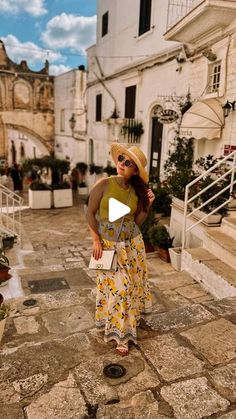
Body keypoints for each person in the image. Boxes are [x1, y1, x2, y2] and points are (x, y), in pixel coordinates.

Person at [87, 144, 155, 356]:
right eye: (121, 160)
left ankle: (125, 329)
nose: (122, 164)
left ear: (135, 170)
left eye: (128, 163)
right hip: (108, 245)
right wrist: (96, 241)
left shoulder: (137, 191)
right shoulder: (104, 184)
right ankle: (120, 336)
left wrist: (147, 205)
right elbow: (90, 213)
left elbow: (137, 221)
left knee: (131, 288)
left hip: (133, 245)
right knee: (118, 289)